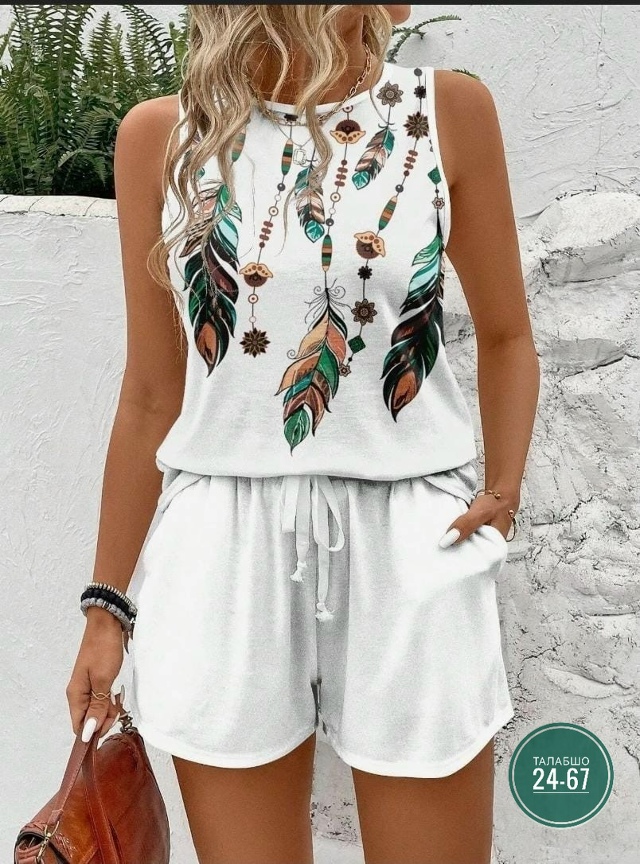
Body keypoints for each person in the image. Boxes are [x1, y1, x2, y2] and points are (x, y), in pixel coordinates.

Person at [66, 5, 540, 863]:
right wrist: (107, 611)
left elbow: (508, 335)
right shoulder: (163, 138)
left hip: (410, 542)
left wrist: (501, 495)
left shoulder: (447, 111)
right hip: (224, 548)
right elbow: (150, 394)